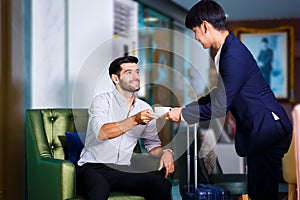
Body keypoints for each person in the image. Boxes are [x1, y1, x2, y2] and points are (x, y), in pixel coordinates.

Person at [166, 1, 293, 200]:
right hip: (260, 131)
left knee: (263, 193)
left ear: (205, 26)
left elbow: (219, 105)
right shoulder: (225, 51)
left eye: (195, 31)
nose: (196, 37)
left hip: (268, 130)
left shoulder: (232, 55)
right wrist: (186, 108)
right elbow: (219, 93)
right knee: (259, 191)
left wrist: (183, 114)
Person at [76, 55, 175, 200]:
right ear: (115, 79)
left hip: (123, 169)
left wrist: (166, 152)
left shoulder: (145, 108)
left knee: (161, 185)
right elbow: (102, 133)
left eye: (137, 71)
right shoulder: (101, 102)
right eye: (129, 72)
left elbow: (152, 144)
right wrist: (134, 120)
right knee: (99, 190)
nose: (136, 76)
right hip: (93, 167)